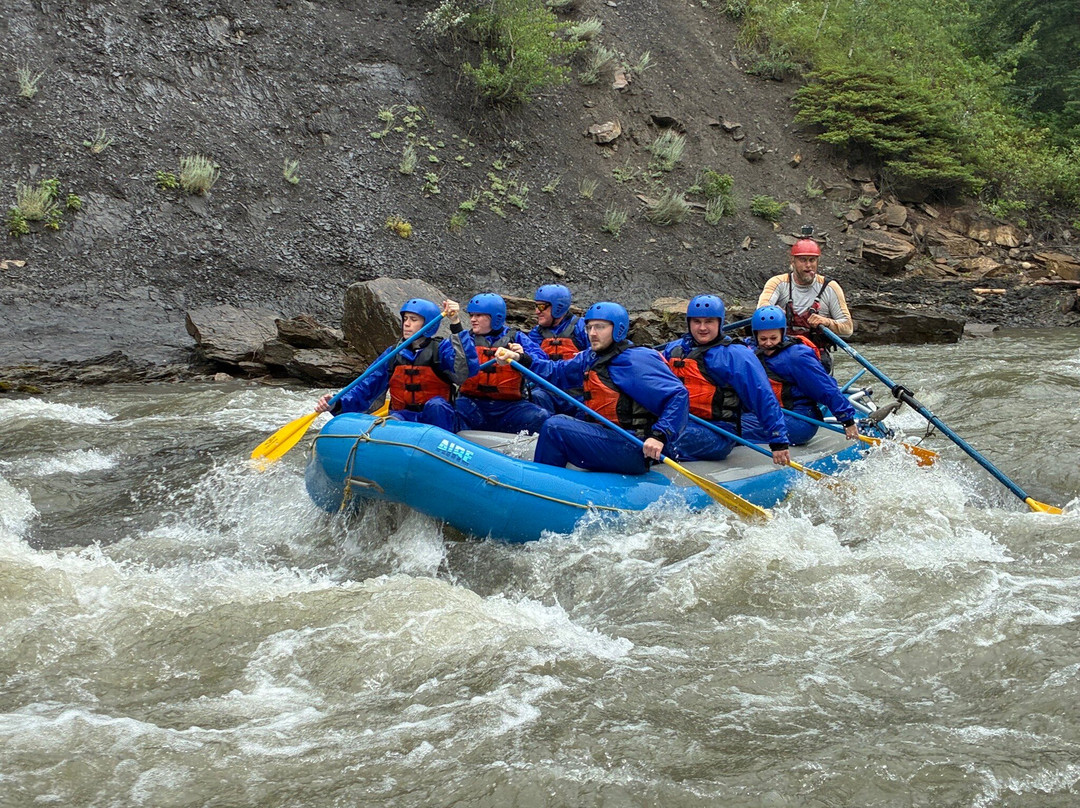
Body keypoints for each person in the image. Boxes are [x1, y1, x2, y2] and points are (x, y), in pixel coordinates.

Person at [497, 302, 688, 475]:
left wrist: (659, 436)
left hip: (632, 446)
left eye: (600, 327)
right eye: (589, 327)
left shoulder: (637, 360)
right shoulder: (590, 357)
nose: (592, 333)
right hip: (606, 435)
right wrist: (520, 359)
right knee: (564, 419)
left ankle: (540, 484)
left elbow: (678, 396)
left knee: (555, 427)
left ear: (618, 329)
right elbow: (556, 372)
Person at [659, 295, 790, 465]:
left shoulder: (736, 355)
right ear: (689, 323)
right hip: (679, 422)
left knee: (657, 438)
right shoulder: (673, 349)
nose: (702, 327)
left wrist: (778, 439)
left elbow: (762, 396)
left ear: (720, 323)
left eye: (709, 322)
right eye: (696, 322)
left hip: (717, 433)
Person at [315, 298, 477, 432]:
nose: (406, 324)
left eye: (413, 320)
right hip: (403, 417)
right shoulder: (393, 354)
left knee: (437, 405)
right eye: (405, 319)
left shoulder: (441, 349)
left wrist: (456, 322)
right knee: (391, 422)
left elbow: (466, 368)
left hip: (436, 420)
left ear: (428, 324)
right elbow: (366, 387)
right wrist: (337, 403)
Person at [742, 305, 859, 446]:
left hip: (797, 419)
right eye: (763, 339)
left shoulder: (797, 357)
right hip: (768, 411)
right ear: (755, 336)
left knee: (733, 427)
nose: (768, 343)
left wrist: (847, 420)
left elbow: (825, 388)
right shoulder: (748, 350)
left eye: (773, 338)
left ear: (782, 333)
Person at [455, 292, 552, 434]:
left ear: (496, 317)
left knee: (540, 416)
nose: (473, 320)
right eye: (471, 315)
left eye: (479, 315)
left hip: (509, 407)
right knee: (450, 409)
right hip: (472, 404)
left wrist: (523, 355)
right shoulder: (467, 339)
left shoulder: (516, 338)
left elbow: (542, 362)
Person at [757, 237, 853, 372]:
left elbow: (848, 328)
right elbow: (761, 309)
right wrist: (773, 312)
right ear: (793, 261)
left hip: (816, 358)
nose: (808, 265)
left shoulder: (830, 287)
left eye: (812, 260)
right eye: (803, 260)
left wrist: (826, 322)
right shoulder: (778, 283)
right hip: (780, 354)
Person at [527, 283, 588, 415]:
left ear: (558, 308)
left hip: (579, 394)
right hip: (548, 393)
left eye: (542, 306)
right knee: (536, 395)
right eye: (536, 306)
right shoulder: (536, 334)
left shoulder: (582, 327)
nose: (537, 311)